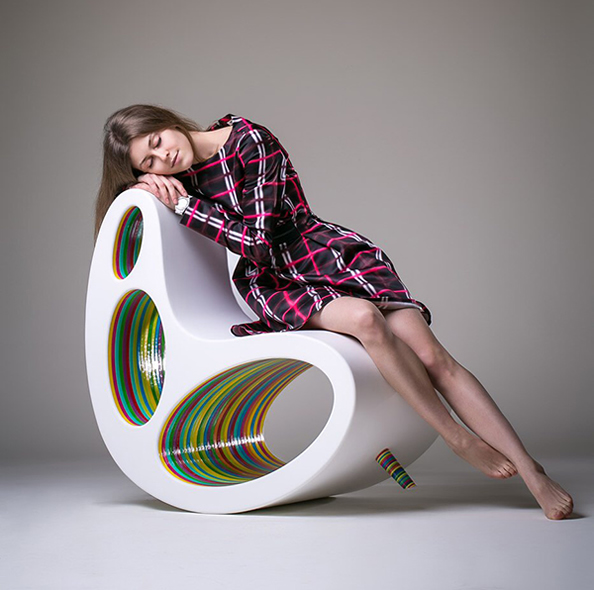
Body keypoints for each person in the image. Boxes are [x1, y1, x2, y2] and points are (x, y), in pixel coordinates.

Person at [95, 104, 573, 520]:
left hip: (325, 255)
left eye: (157, 142)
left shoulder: (249, 140)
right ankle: (456, 437)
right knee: (364, 320)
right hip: (275, 283)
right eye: (148, 162)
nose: (163, 157)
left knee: (434, 358)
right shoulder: (179, 184)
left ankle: (531, 470)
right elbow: (254, 257)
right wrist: (159, 190)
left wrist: (187, 207)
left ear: (167, 121)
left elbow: (259, 240)